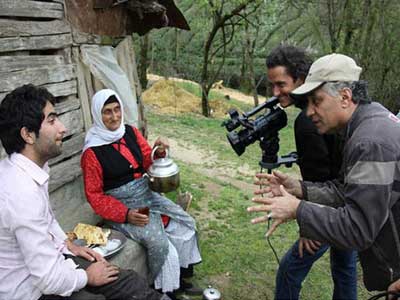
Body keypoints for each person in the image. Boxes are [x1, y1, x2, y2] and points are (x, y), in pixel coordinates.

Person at [248, 53, 400, 294]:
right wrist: (299, 188)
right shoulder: (369, 121)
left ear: (345, 97)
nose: (309, 112)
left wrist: (298, 209)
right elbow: (347, 190)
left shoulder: (369, 141)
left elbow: (358, 228)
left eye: (316, 101)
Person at [0, 84, 170, 300]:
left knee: (127, 280)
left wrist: (67, 244)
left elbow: (48, 223)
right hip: (28, 290)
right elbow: (48, 279)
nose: (63, 128)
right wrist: (86, 276)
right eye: (52, 121)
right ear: (28, 135)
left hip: (53, 262)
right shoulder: (21, 193)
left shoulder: (31, 170)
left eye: (117, 109)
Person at [80, 89, 202, 299]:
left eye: (117, 109)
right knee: (158, 242)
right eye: (107, 112)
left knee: (186, 221)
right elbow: (95, 196)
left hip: (145, 192)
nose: (115, 116)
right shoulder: (92, 152)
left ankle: (181, 278)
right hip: (123, 205)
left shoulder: (130, 132)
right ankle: (157, 287)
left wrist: (159, 152)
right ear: (97, 115)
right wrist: (126, 214)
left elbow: (147, 161)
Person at [266, 45, 357, 299]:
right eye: (272, 85)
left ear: (301, 79)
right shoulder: (326, 112)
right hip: (346, 201)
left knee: (289, 270)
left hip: (335, 208)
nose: (275, 92)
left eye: (281, 84)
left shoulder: (308, 120)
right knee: (345, 268)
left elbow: (320, 175)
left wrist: (310, 226)